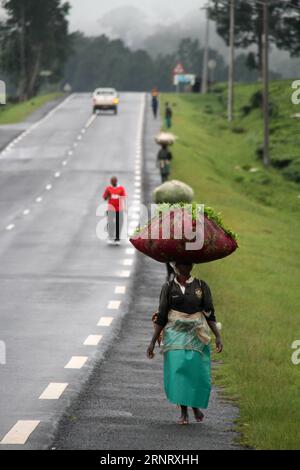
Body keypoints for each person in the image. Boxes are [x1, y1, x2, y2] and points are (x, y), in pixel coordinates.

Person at [147, 262, 223, 425]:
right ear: (174, 266)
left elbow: (209, 313)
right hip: (174, 334)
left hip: (196, 333)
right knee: (179, 371)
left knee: (194, 372)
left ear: (192, 266)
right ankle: (183, 412)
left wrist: (218, 336)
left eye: (187, 264)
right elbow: (161, 315)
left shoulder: (201, 286)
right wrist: (153, 341)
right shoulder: (168, 287)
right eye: (180, 264)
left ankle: (195, 406)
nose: (184, 267)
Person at [102, 176, 127, 246]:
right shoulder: (108, 188)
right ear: (111, 182)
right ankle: (110, 237)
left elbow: (123, 198)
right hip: (110, 209)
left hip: (119, 209)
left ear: (116, 181)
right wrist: (108, 196)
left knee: (119, 224)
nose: (113, 183)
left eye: (114, 182)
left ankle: (117, 239)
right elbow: (104, 197)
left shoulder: (121, 188)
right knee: (110, 223)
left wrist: (125, 207)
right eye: (112, 182)